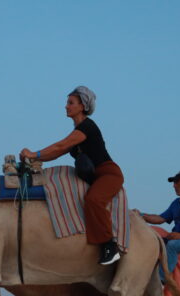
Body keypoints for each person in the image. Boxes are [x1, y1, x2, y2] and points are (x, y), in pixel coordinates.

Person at [20, 86, 124, 265]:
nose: (66, 106)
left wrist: (33, 154)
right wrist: (34, 158)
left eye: (70, 103)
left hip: (108, 173)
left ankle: (110, 246)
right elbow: (56, 153)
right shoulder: (77, 132)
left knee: (93, 200)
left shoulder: (87, 127)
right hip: (94, 176)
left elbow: (60, 146)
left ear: (82, 106)